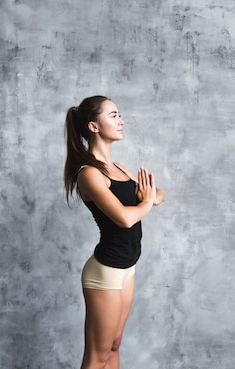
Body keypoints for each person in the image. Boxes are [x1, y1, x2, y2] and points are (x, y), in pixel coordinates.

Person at [64, 95, 165, 369]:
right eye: (113, 115)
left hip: (127, 267)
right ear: (94, 126)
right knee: (97, 357)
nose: (121, 121)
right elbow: (124, 218)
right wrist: (145, 201)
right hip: (105, 271)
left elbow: (159, 194)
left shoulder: (118, 168)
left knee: (114, 345)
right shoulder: (89, 173)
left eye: (119, 115)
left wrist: (147, 198)